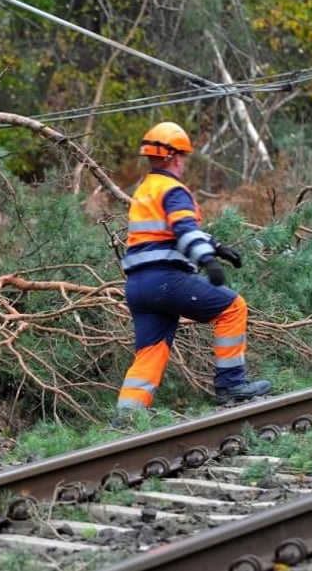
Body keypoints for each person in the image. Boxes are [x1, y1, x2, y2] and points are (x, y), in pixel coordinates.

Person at [115, 121, 271, 414]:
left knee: (151, 351)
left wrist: (216, 247)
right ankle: (231, 385)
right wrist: (208, 261)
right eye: (183, 156)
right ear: (173, 156)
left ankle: (127, 415)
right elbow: (185, 231)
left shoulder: (145, 191)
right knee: (232, 308)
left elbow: (165, 233)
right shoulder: (173, 190)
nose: (183, 162)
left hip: (138, 287)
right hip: (165, 280)